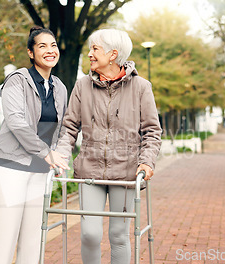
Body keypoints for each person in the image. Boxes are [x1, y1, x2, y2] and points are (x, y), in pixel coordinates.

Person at [53, 29, 162, 263]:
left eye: (95, 49)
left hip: (125, 172)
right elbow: (70, 126)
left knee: (119, 235)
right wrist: (61, 154)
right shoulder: (82, 86)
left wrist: (146, 161)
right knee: (90, 234)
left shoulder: (141, 87)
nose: (90, 54)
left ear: (113, 54)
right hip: (89, 170)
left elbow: (152, 131)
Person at [0, 26, 69, 264]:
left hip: (40, 170)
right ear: (31, 53)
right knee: (4, 236)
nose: (49, 50)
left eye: (53, 45)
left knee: (34, 239)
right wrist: (46, 152)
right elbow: (16, 122)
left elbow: (64, 128)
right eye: (42, 46)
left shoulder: (60, 87)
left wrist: (60, 157)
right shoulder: (17, 80)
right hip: (10, 167)